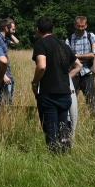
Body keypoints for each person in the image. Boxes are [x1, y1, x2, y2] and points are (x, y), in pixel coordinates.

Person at [30, 17, 78, 152]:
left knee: (51, 126)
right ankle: (65, 152)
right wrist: (65, 77)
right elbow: (78, 65)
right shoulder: (63, 45)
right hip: (64, 91)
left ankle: (54, 155)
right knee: (63, 124)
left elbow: (41, 66)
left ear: (38, 30)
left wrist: (35, 82)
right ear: (53, 29)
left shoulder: (41, 44)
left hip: (48, 92)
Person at [68, 14, 95, 134]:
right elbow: (68, 56)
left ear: (86, 25)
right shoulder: (70, 38)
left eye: (83, 26)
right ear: (75, 25)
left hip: (87, 73)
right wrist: (83, 56)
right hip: (74, 74)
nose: (81, 28)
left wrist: (77, 57)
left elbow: (94, 54)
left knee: (91, 101)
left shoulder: (91, 36)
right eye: (79, 26)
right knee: (70, 100)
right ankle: (70, 125)